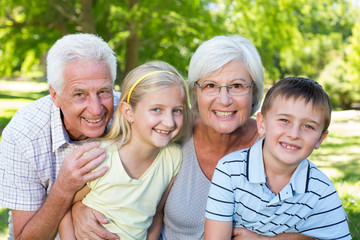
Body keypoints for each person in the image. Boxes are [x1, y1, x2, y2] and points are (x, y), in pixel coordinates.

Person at [71, 35, 312, 240]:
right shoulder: (173, 132)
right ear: (194, 92)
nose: (224, 99)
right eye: (210, 86)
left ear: (255, 92)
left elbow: (320, 231)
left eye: (237, 86)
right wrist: (77, 209)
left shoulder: (278, 146)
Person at [0, 33, 120, 240]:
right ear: (55, 96)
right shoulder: (23, 135)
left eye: (103, 91)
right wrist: (64, 189)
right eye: (79, 94)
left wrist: (77, 208)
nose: (96, 109)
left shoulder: (130, 115)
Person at [204, 77, 351, 239]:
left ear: (320, 139)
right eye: (284, 120)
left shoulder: (321, 190)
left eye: (308, 126)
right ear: (262, 124)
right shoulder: (230, 170)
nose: (294, 134)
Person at [59, 61, 192, 240]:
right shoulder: (100, 157)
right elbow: (64, 208)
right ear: (128, 112)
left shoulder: (173, 158)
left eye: (177, 110)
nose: (169, 122)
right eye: (156, 109)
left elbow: (155, 213)